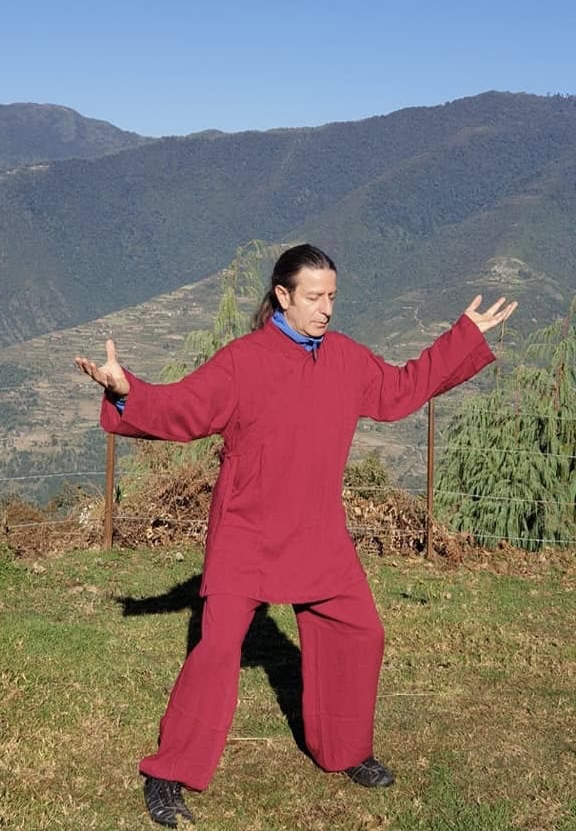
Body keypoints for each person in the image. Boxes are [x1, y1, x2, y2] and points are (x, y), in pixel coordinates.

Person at [75, 243, 517, 828]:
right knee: (216, 650)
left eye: (332, 296)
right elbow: (183, 407)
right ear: (283, 297)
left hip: (317, 532)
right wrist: (126, 389)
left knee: (360, 632)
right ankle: (169, 773)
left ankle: (345, 751)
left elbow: (401, 389)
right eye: (314, 296)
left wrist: (463, 336)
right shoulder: (243, 361)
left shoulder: (346, 359)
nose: (327, 308)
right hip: (247, 532)